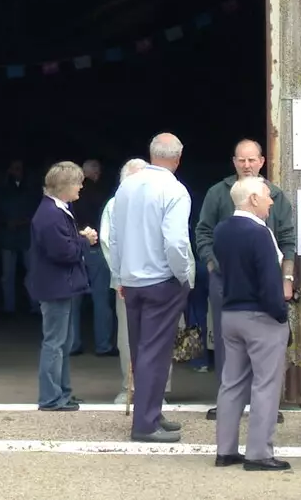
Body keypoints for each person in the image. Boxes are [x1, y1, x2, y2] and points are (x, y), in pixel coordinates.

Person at [194, 138, 297, 422]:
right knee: (228, 342)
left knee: (266, 339)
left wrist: (287, 278)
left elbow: (289, 238)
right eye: (241, 160)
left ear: (262, 161)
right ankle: (229, 402)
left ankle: (265, 405)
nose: (247, 165)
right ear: (234, 162)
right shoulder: (218, 193)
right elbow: (202, 232)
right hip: (225, 280)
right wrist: (214, 263)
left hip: (267, 279)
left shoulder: (274, 195)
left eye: (252, 159)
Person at [104, 133, 193, 444]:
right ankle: (145, 423)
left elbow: (114, 238)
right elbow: (176, 242)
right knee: (155, 354)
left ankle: (150, 412)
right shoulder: (175, 190)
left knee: (142, 350)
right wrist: (183, 275)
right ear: (178, 158)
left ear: (152, 154)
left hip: (131, 280)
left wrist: (119, 276)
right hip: (161, 280)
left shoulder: (126, 186)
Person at [212, 177, 292, 471]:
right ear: (254, 199)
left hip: (231, 313)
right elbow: (270, 280)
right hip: (260, 316)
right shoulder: (260, 233)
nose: (272, 201)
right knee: (265, 385)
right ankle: (258, 453)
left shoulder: (222, 230)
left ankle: (226, 450)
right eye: (268, 196)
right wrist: (281, 315)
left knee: (231, 384)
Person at [27, 162, 94, 411]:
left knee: (62, 343)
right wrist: (84, 240)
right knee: (55, 343)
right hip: (55, 287)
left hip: (58, 285)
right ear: (64, 187)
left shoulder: (55, 210)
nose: (81, 187)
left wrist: (77, 239)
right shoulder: (50, 214)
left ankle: (62, 393)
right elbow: (63, 252)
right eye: (77, 183)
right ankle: (51, 397)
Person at [100, 158, 161, 404]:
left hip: (159, 281)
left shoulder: (160, 201)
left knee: (159, 338)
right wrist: (120, 276)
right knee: (127, 337)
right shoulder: (114, 205)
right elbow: (107, 243)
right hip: (126, 283)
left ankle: (158, 391)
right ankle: (130, 388)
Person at [69, 159, 117, 357]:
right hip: (96, 249)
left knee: (73, 299)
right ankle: (103, 345)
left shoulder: (70, 195)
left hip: (74, 247)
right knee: (101, 298)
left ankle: (73, 344)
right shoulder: (101, 194)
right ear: (95, 173)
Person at [0, 160, 37, 315]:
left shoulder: (31, 189)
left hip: (26, 235)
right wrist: (6, 222)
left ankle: (35, 305)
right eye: (14, 168)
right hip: (8, 236)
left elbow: (37, 210)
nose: (16, 172)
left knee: (32, 272)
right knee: (7, 275)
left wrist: (25, 220)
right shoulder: (2, 190)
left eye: (19, 169)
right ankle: (9, 307)